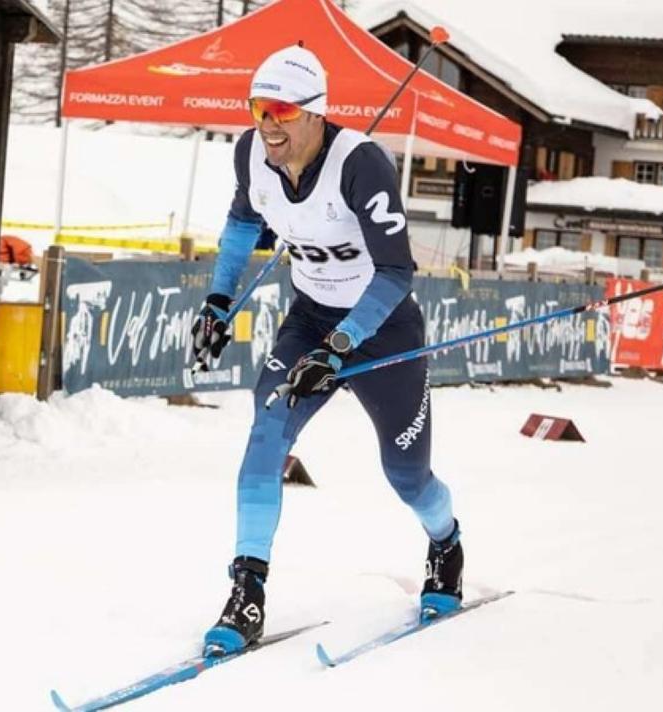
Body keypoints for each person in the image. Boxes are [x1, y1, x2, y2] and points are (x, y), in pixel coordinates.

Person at [189, 44, 462, 656]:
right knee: (266, 432)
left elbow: (395, 273)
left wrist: (342, 348)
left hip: (382, 326)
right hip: (311, 320)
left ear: (315, 112)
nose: (268, 123)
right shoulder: (250, 155)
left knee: (407, 476)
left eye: (283, 109)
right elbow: (240, 227)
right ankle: (246, 592)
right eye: (259, 107)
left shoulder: (361, 165)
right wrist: (216, 303)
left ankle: (445, 542)